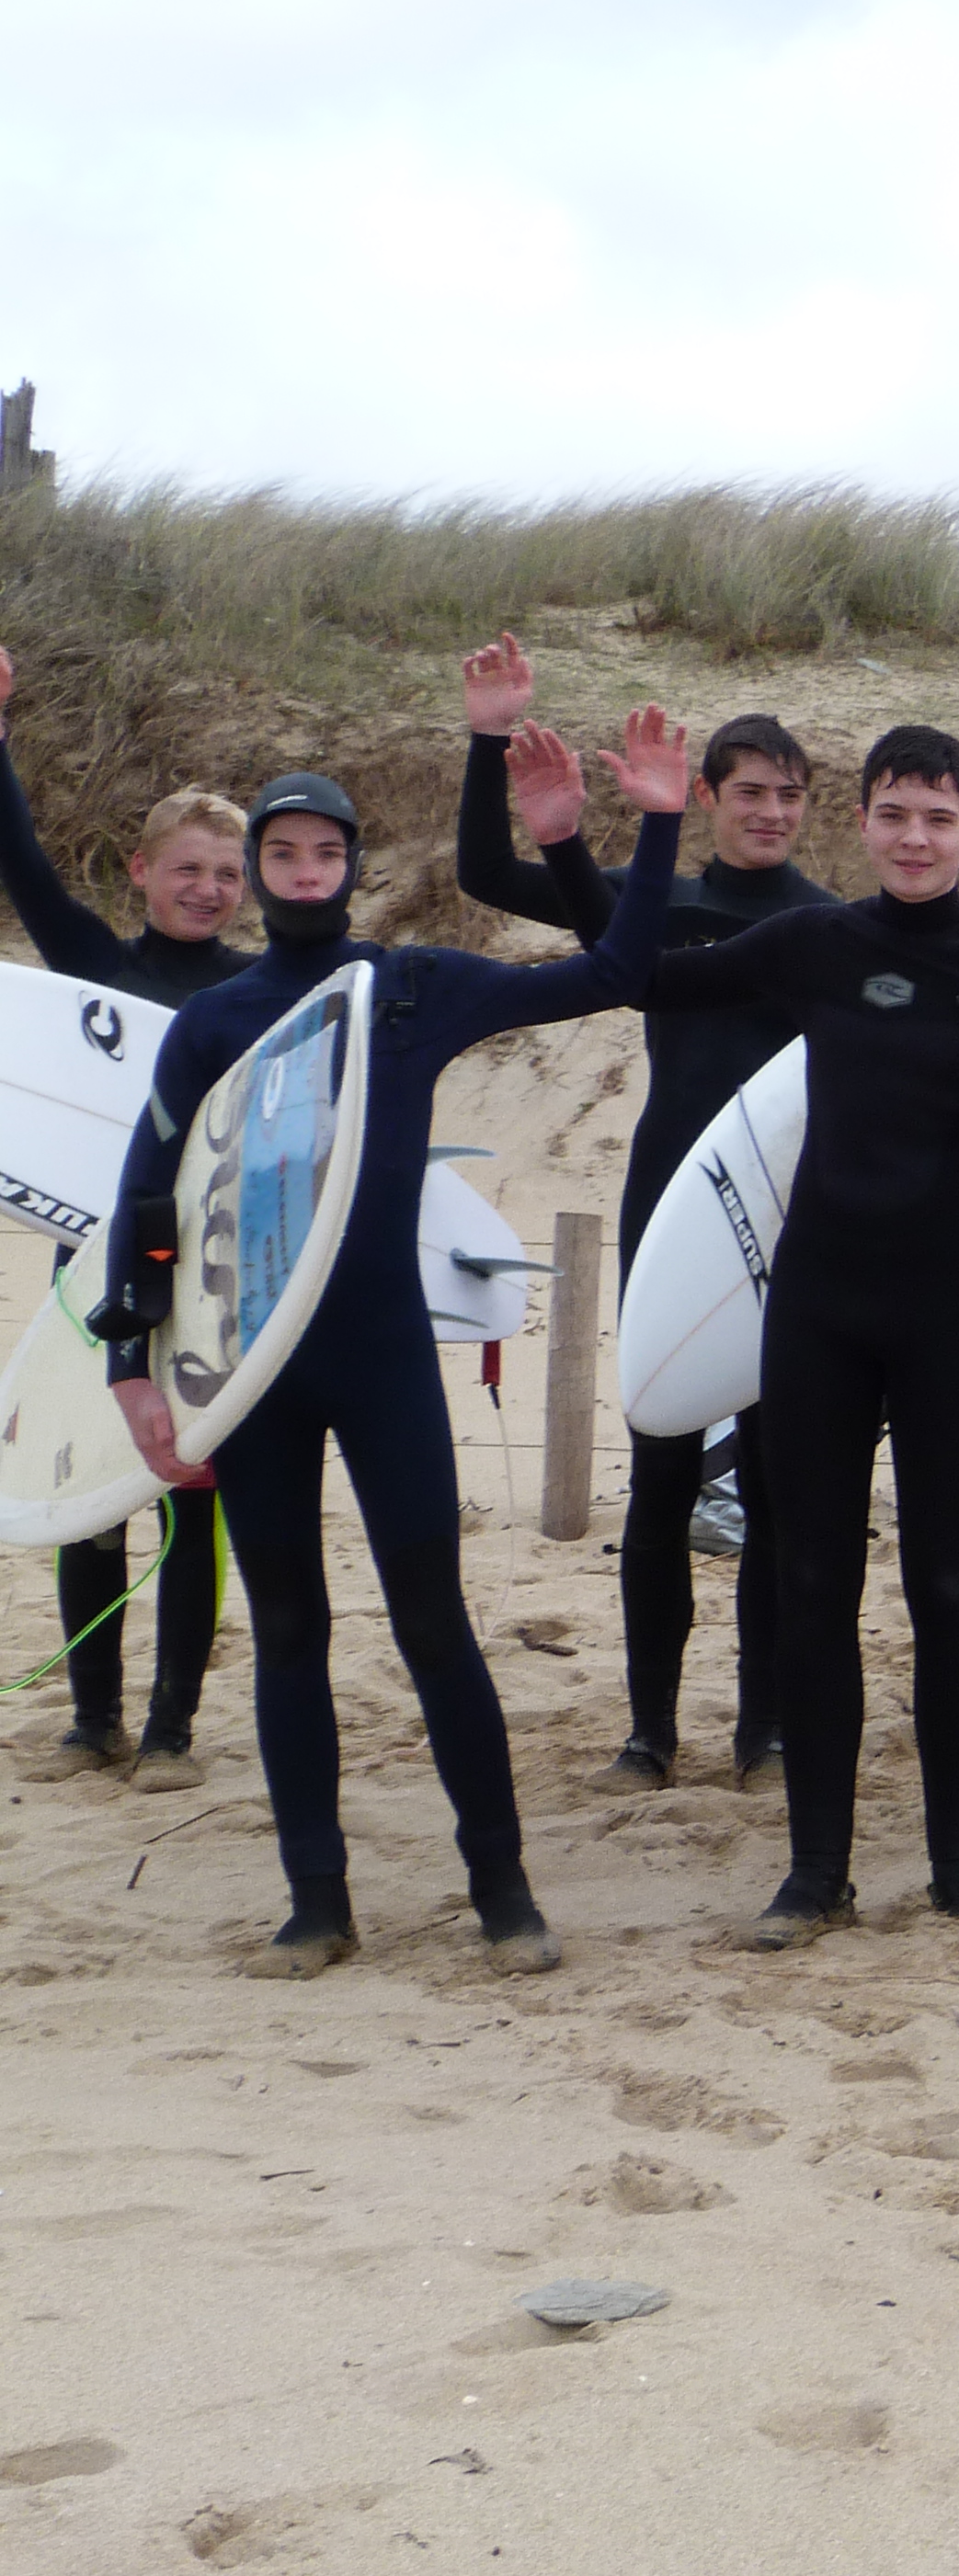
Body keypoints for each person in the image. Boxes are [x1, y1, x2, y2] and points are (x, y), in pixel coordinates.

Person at [96, 720, 685, 1977]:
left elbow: (622, 969)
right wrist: (131, 1368)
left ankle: (504, 1893)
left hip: (380, 1357)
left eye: (327, 853)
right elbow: (149, 1195)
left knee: (433, 1622)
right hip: (258, 1369)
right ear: (259, 869)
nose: (306, 873)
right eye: (284, 854)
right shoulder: (214, 1021)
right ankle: (317, 1904)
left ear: (354, 866)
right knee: (289, 1628)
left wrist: (645, 825)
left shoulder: (410, 988)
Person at [637, 720, 959, 1953]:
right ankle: (814, 1877)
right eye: (894, 814)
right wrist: (608, 839)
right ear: (865, 823)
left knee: (952, 1589)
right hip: (819, 1311)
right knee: (814, 1586)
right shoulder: (818, 943)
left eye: (938, 818)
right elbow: (649, 974)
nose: (915, 838)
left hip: (950, 1316)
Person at [451, 635, 835, 1797]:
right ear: (706, 797)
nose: (771, 813)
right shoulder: (657, 903)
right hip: (672, 1213)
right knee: (662, 1478)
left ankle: (764, 1729)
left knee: (778, 1492)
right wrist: (486, 743)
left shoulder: (826, 924)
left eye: (790, 796)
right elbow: (487, 871)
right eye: (750, 792)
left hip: (791, 1224)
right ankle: (650, 1733)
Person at [0, 644, 245, 1791]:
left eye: (227, 873)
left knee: (189, 1498)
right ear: (142, 871)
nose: (207, 888)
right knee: (91, 1492)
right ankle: (91, 1720)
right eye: (187, 868)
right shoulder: (94, 965)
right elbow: (22, 863)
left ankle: (171, 1732)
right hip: (91, 1269)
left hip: (209, 1274)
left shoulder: (259, 991)